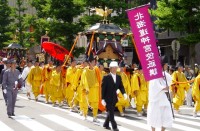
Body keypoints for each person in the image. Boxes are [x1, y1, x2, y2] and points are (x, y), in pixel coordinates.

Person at [147, 56, 173, 131]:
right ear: (163, 65)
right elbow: (154, 85)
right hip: (155, 98)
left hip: (162, 97)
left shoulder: (165, 74)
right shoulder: (154, 73)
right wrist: (163, 87)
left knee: (166, 115)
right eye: (166, 65)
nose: (167, 66)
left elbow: (170, 81)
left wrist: (167, 84)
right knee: (154, 116)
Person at [101, 61, 127, 131]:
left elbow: (121, 86)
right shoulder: (106, 77)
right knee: (111, 113)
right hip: (107, 98)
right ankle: (114, 127)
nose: (114, 69)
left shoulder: (118, 77)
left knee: (110, 111)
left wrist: (124, 93)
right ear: (110, 68)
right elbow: (103, 89)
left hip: (114, 98)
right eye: (113, 68)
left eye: (116, 67)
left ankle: (106, 124)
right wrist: (102, 99)